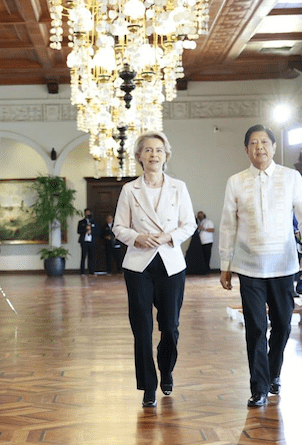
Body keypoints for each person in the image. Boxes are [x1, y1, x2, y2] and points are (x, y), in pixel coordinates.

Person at [219, 124, 302, 408]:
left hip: (284, 265)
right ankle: (259, 386)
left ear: (274, 147)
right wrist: (225, 263)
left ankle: (274, 372)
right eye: (253, 143)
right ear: (246, 150)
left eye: (264, 142)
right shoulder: (236, 181)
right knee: (256, 328)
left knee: (283, 325)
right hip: (248, 266)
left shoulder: (291, 177)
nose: (259, 147)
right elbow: (227, 224)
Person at [112, 131, 196, 408]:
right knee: (142, 328)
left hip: (171, 263)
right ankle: (148, 386)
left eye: (159, 150)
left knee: (170, 328)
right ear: (139, 157)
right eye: (147, 150)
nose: (153, 155)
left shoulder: (178, 187)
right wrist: (136, 237)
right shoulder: (129, 189)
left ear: (166, 155)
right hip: (139, 265)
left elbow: (189, 224)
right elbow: (119, 227)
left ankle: (167, 370)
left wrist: (168, 237)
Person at [78, 209, 96, 275]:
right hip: (84, 241)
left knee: (91, 256)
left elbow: (97, 231)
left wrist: (91, 231)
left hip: (91, 241)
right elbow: (79, 231)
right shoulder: (81, 222)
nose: (87, 214)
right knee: (83, 256)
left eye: (89, 213)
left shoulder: (93, 222)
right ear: (84, 214)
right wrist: (86, 229)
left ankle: (91, 271)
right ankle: (82, 272)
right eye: (86, 213)